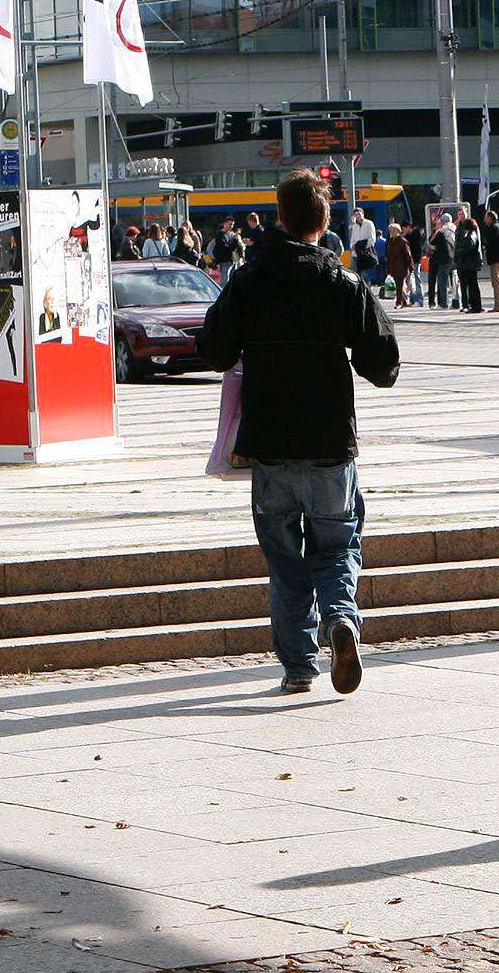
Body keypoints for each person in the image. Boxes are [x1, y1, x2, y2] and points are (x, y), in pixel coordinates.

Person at [198, 168, 400, 697]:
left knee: (286, 563)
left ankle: (297, 666)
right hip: (331, 443)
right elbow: (384, 364)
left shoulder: (248, 280)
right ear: (324, 219)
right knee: (336, 545)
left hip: (269, 446)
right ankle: (341, 620)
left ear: (280, 217)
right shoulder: (342, 283)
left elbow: (213, 350)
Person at [481, 208, 499, 312]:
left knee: (496, 281)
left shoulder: (492, 229)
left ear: (490, 218)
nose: (484, 220)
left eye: (486, 218)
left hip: (496, 258)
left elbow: (498, 243)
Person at [454, 217, 484, 313]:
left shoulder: (470, 237)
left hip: (468, 264)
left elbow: (466, 249)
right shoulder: (473, 235)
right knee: (473, 285)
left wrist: (458, 251)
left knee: (471, 286)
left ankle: (475, 306)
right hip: (471, 264)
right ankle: (476, 305)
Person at [429, 213, 455, 309]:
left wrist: (437, 230)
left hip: (444, 259)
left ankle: (443, 303)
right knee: (453, 281)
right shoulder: (453, 229)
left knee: (442, 281)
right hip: (452, 257)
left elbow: (432, 242)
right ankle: (455, 302)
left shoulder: (442, 231)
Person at [385, 222, 412, 308]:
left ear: (398, 231)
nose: (392, 232)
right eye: (390, 231)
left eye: (393, 230)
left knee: (399, 285)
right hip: (393, 266)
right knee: (398, 285)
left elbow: (408, 255)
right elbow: (388, 255)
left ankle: (398, 303)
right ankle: (404, 302)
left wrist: (410, 267)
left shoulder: (403, 241)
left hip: (401, 266)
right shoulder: (390, 241)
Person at [351, 209, 380, 285]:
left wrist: (363, 248)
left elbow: (372, 239)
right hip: (356, 255)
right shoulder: (354, 226)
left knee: (364, 276)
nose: (358, 216)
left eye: (359, 214)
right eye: (356, 214)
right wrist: (353, 247)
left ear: (363, 214)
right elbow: (352, 239)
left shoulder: (369, 223)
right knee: (356, 276)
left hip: (365, 254)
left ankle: (366, 290)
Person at [404, 222, 426, 306]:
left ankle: (419, 299)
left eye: (404, 229)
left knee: (416, 278)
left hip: (416, 260)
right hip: (410, 260)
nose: (403, 231)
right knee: (410, 279)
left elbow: (416, 248)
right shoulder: (408, 236)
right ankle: (413, 298)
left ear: (408, 227)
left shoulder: (416, 234)